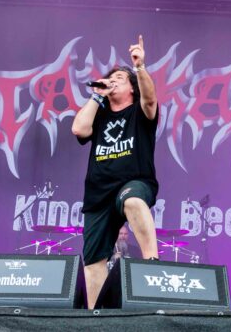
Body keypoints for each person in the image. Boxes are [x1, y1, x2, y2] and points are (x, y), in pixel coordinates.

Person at [71, 35, 159, 309]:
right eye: (111, 78)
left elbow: (150, 100)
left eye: (120, 78)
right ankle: (95, 318)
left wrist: (139, 67)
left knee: (132, 201)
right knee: (94, 260)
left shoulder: (139, 113)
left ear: (132, 87)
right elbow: (79, 129)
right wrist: (98, 94)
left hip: (133, 181)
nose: (114, 80)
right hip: (98, 193)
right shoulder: (99, 115)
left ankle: (152, 264)